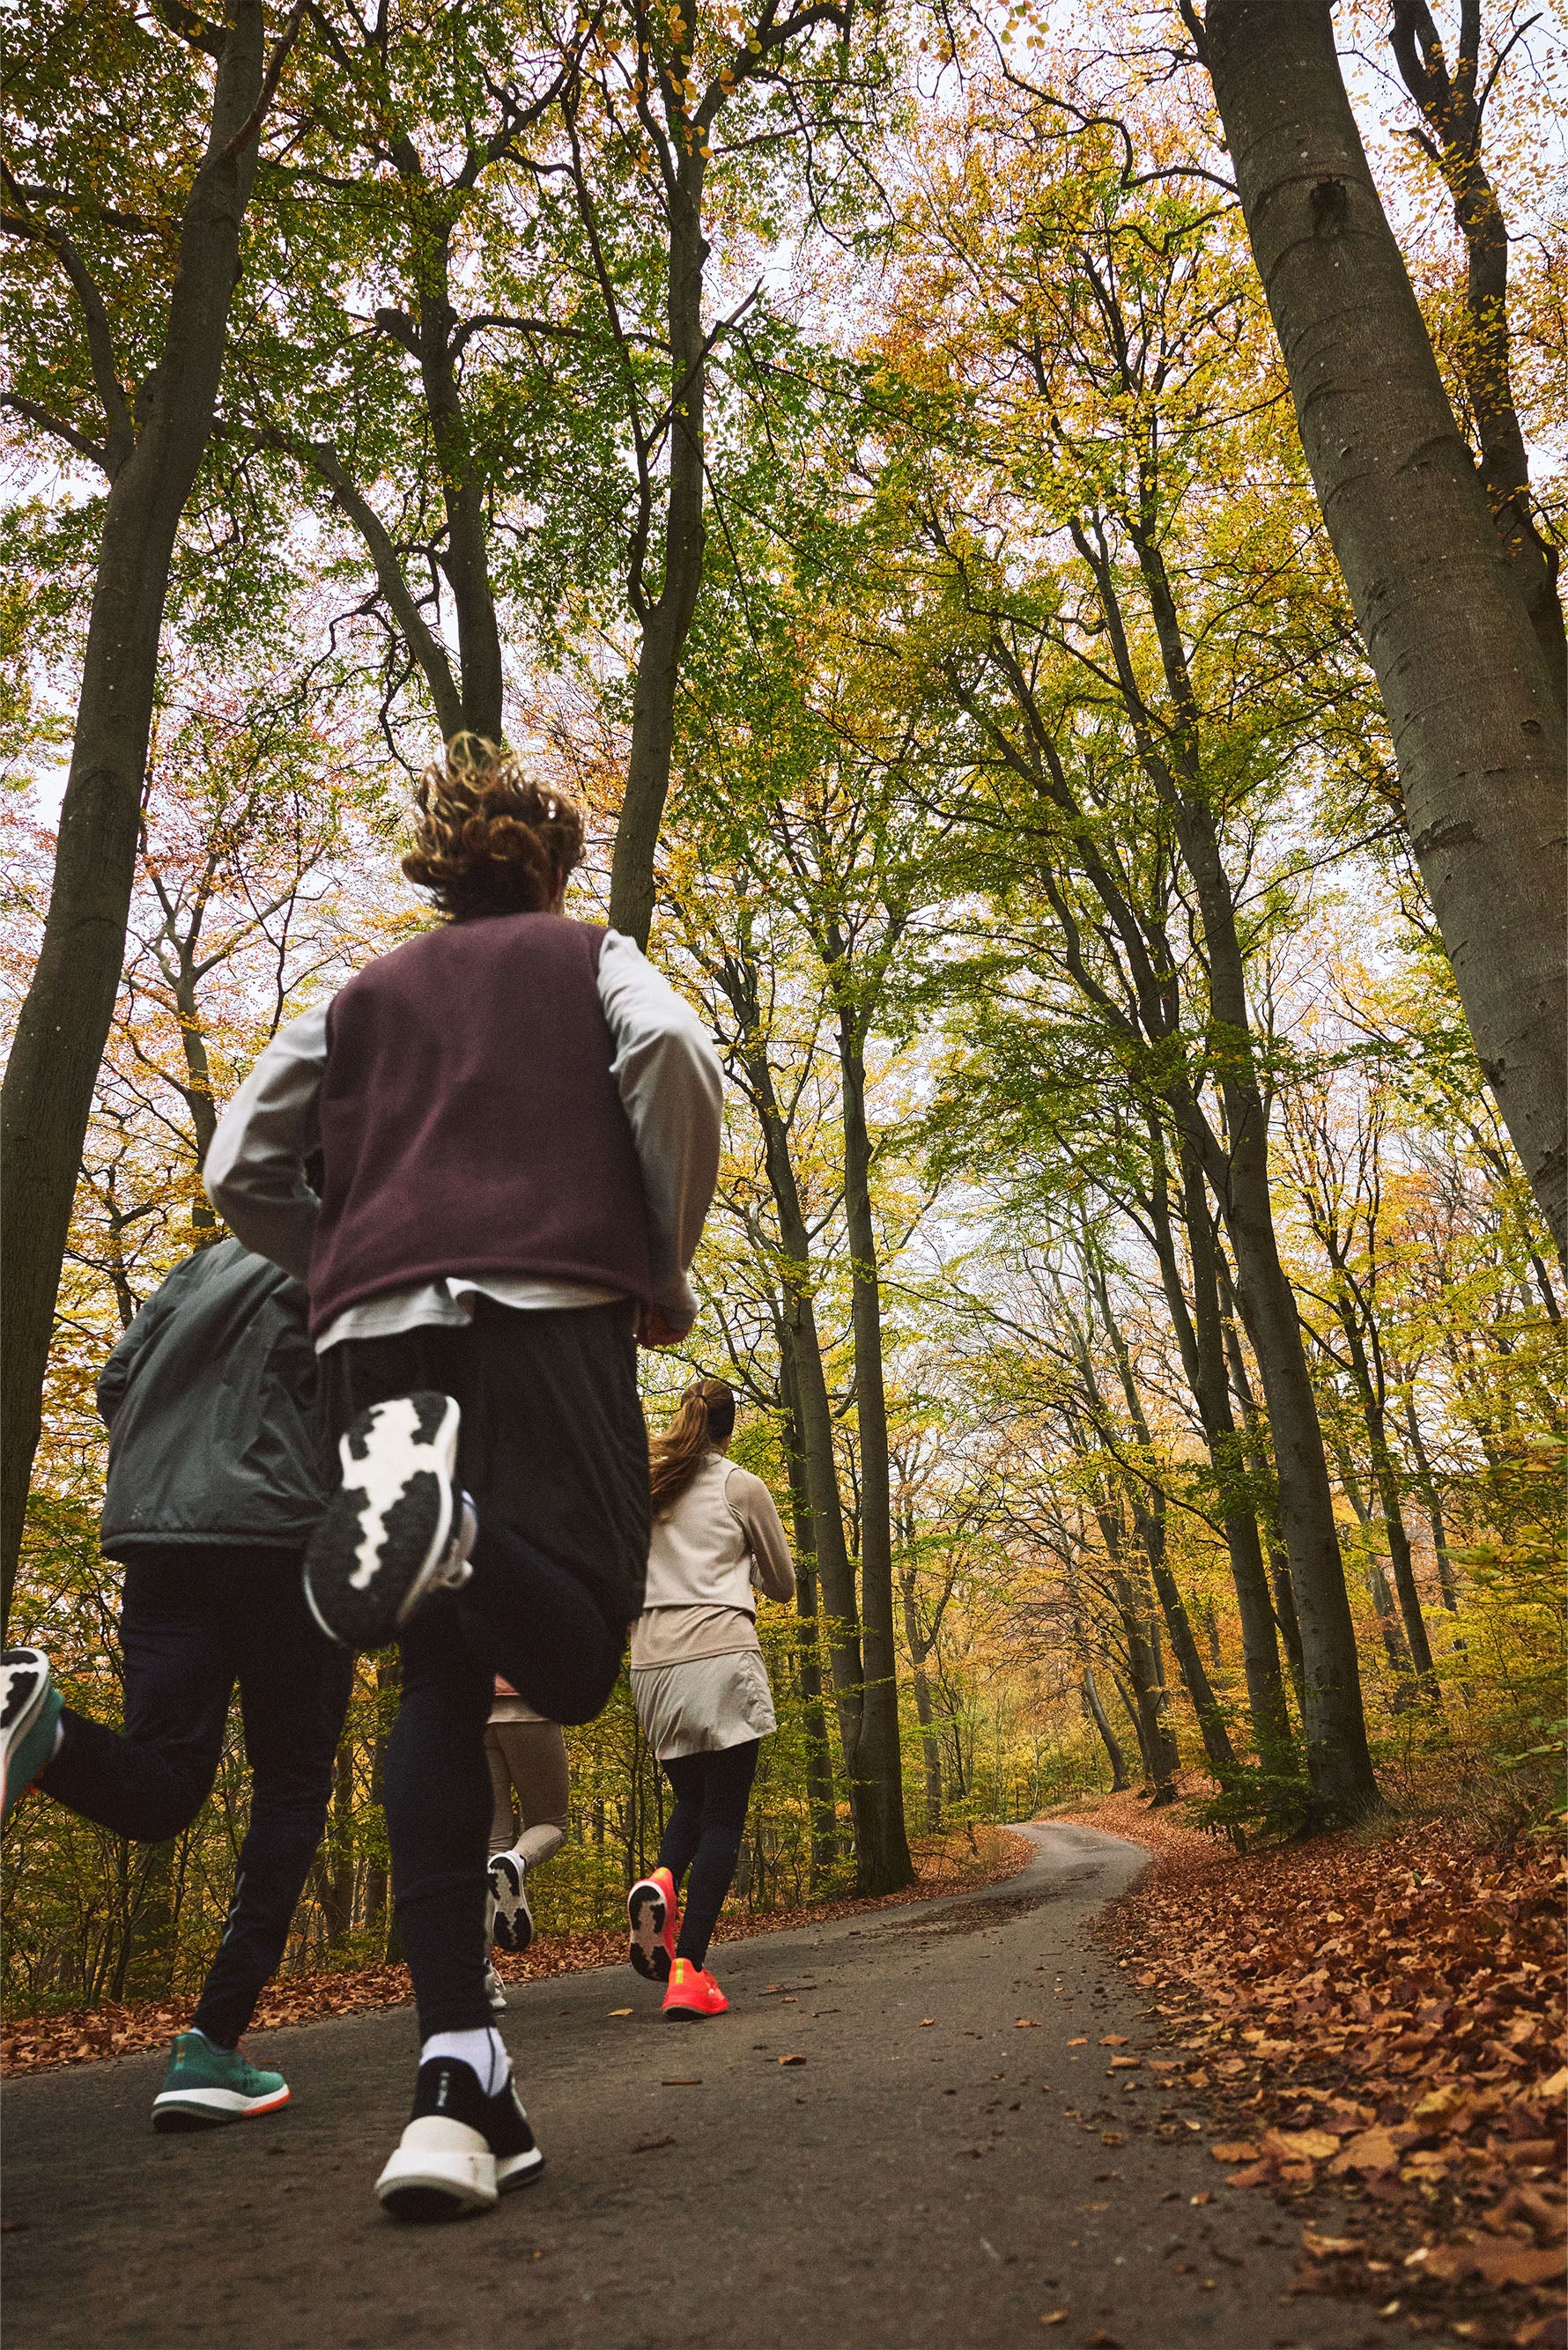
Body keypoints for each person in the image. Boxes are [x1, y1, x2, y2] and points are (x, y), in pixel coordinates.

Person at [202, 735, 723, 2222]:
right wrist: (658, 1258)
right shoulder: (588, 956)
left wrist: (342, 1260)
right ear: (549, 870)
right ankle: (466, 1536)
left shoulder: (361, 994)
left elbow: (245, 1156)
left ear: (445, 875)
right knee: (569, 1651)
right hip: (547, 1309)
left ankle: (457, 2078)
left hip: (379, 1339)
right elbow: (675, 1058)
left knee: (434, 1685)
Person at [0, 1238, 354, 2131]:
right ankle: (211, 2042)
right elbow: (383, 1403)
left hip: (158, 1531)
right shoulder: (366, 1234)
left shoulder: (211, 1258)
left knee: (163, 1788)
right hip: (285, 1538)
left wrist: (176, 1467)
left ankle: (45, 1733)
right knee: (292, 1786)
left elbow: (116, 1378)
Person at [625, 1378, 794, 2020]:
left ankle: (663, 1877)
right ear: (731, 1427)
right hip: (721, 1655)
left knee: (692, 1801)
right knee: (723, 1817)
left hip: (652, 1665)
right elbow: (781, 1585)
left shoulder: (644, 1487)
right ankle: (689, 1970)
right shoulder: (739, 1486)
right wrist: (743, 1562)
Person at [481, 1682, 571, 2011]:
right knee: (553, 1823)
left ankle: (481, 1976)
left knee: (492, 1844)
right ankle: (517, 1861)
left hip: (475, 1713)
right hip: (528, 1705)